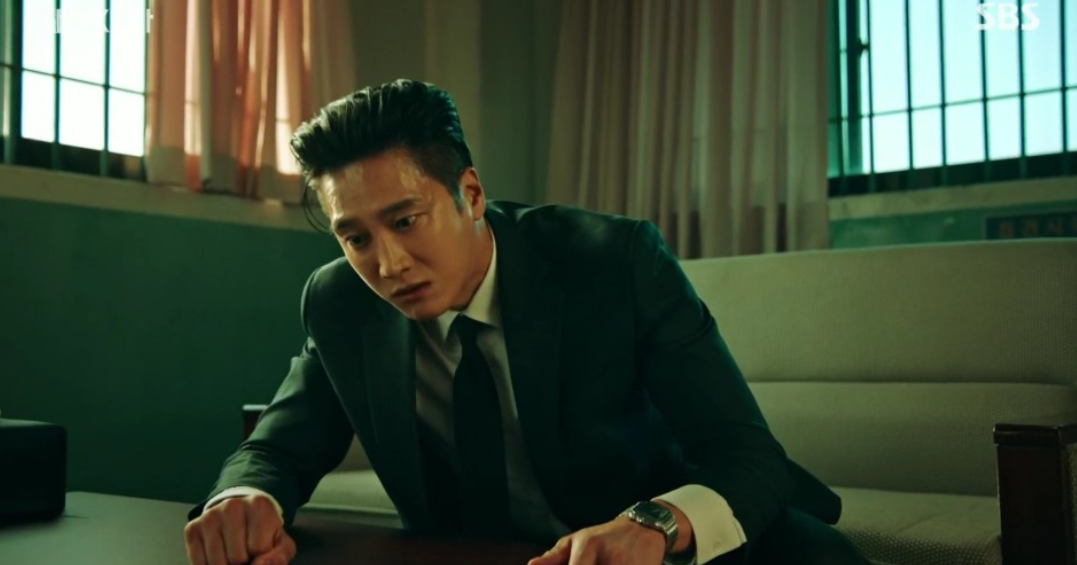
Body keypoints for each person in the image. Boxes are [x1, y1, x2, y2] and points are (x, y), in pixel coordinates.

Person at [183, 79, 868, 565]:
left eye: (405, 221)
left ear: (471, 193)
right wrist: (245, 498)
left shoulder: (614, 261)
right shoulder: (340, 301)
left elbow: (748, 458)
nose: (387, 264)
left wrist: (653, 526)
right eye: (355, 238)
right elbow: (278, 448)